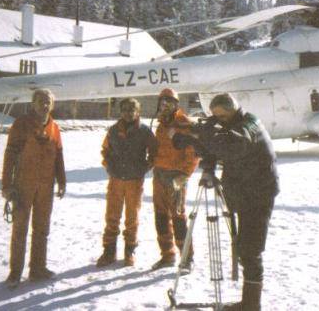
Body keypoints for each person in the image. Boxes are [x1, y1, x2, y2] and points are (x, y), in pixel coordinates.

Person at [190, 93, 279, 311]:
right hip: (244, 193)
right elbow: (223, 150)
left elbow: (236, 144)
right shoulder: (232, 126)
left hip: (258, 195)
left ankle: (251, 305)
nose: (219, 120)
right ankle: (248, 303)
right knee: (244, 247)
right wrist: (197, 142)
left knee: (250, 249)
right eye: (215, 117)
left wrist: (209, 136)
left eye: (221, 116)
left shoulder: (250, 123)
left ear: (232, 110)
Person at [1, 89, 66, 289]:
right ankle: (15, 273)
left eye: (48, 102)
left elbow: (59, 156)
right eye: (40, 102)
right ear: (33, 103)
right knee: (20, 230)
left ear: (52, 105)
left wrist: (62, 180)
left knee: (41, 229)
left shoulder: (54, 127)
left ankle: (38, 268)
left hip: (46, 186)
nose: (44, 105)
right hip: (23, 185)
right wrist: (6, 186)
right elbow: (10, 155)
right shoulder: (21, 124)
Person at [96, 98, 157, 268]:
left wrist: (143, 168)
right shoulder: (113, 130)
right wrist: (109, 166)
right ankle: (109, 250)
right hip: (116, 179)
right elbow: (105, 150)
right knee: (112, 216)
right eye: (125, 109)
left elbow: (154, 152)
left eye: (132, 110)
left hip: (134, 181)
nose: (128, 113)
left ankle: (130, 249)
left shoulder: (144, 131)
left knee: (132, 217)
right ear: (120, 111)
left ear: (138, 112)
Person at [151, 88, 199, 271]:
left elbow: (194, 153)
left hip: (176, 177)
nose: (165, 106)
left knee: (178, 217)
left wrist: (184, 175)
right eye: (162, 102)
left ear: (176, 104)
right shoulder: (161, 125)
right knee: (160, 216)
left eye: (169, 102)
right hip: (159, 175)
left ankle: (187, 258)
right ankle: (167, 255)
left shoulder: (184, 123)